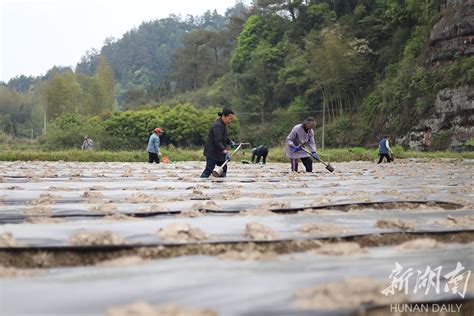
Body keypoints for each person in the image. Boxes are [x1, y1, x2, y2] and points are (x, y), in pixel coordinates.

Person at [200, 108, 235, 178]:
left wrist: (230, 141)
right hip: (212, 152)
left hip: (219, 153)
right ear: (224, 116)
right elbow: (217, 141)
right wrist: (225, 151)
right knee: (209, 169)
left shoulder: (223, 125)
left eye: (231, 119)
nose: (230, 121)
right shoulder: (217, 126)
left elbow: (224, 137)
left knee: (223, 169)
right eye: (229, 118)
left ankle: (219, 187)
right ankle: (201, 184)